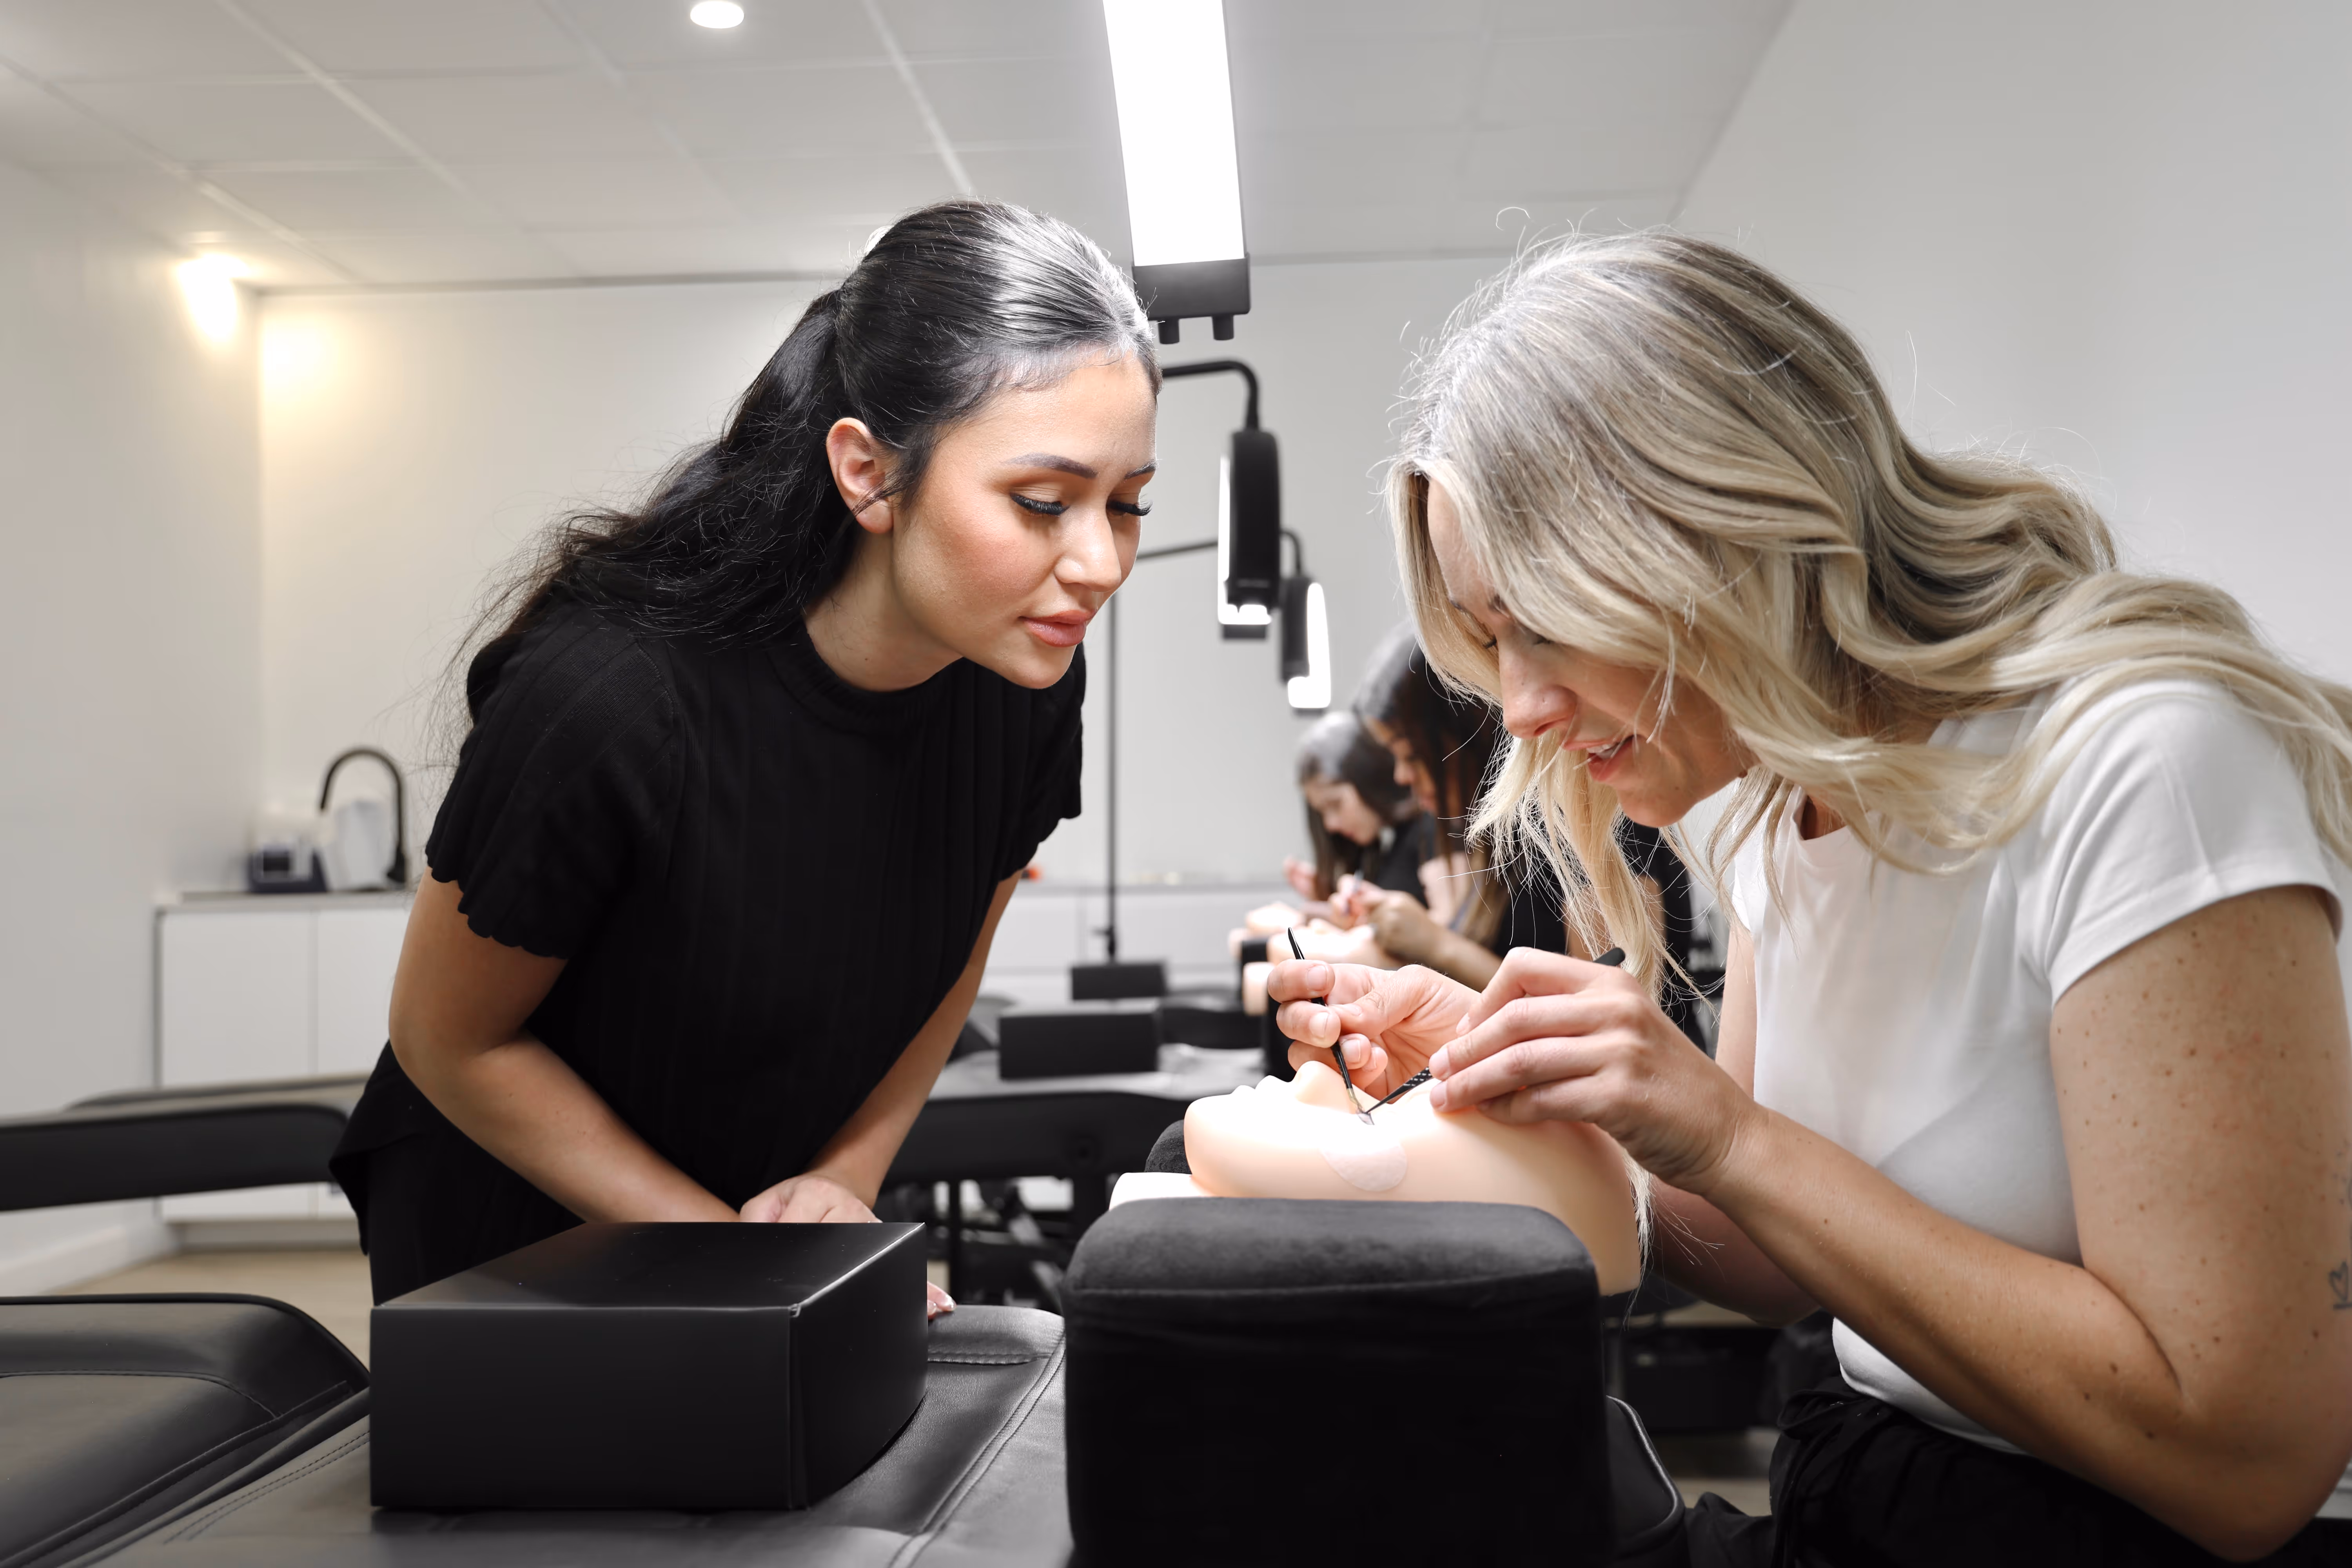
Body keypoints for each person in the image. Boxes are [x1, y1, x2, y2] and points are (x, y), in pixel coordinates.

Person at [1270, 232, 2352, 1563]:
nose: (1525, 708)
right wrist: (1560, 1103)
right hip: (1874, 1481)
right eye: (1495, 644)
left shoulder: (2141, 765)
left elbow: (2241, 1456)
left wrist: (1728, 1136)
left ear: (1713, 535)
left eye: (1543, 618)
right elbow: (1770, 1250)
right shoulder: (1790, 810)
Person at [330, 201, 1159, 1313]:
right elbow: (450, 1039)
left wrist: (842, 1186)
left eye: (1127, 505)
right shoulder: (609, 701)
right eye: (1044, 503)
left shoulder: (1022, 685)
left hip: (758, 1231)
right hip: (519, 1253)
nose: (1100, 561)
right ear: (868, 472)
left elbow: (952, 964)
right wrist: (748, 1269)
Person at [1283, 711, 1429, 906]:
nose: (1330, 825)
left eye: (1335, 804)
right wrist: (1323, 897)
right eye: (1323, 812)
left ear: (1368, 777)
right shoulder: (1382, 847)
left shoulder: (1430, 830)